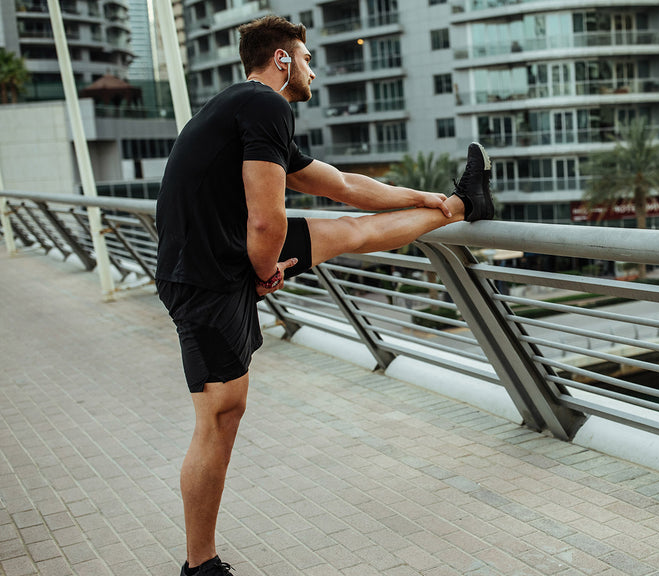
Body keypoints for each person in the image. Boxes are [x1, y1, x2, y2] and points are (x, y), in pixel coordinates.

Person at [154, 15, 493, 576]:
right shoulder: (265, 105)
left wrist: (433, 199)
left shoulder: (247, 111)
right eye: (307, 57)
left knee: (353, 231)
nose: (314, 68)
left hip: (221, 259)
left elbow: (341, 186)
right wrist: (266, 270)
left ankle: (464, 203)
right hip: (208, 275)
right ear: (281, 60)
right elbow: (267, 223)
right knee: (220, 414)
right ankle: (200, 565)